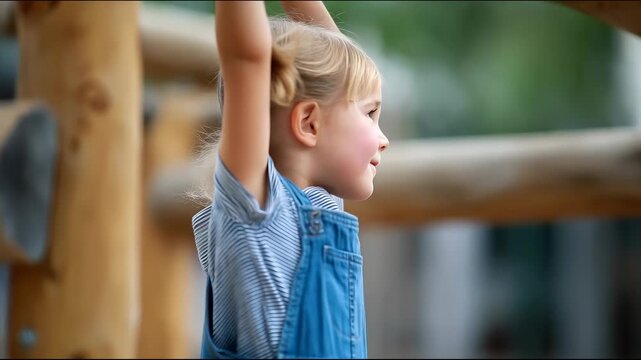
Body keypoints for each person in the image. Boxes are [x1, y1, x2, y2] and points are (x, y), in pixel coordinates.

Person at [191, 1, 389, 358]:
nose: (383, 138)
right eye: (370, 113)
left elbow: (332, 55)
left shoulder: (320, 205)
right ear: (309, 123)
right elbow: (247, 60)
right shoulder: (255, 216)